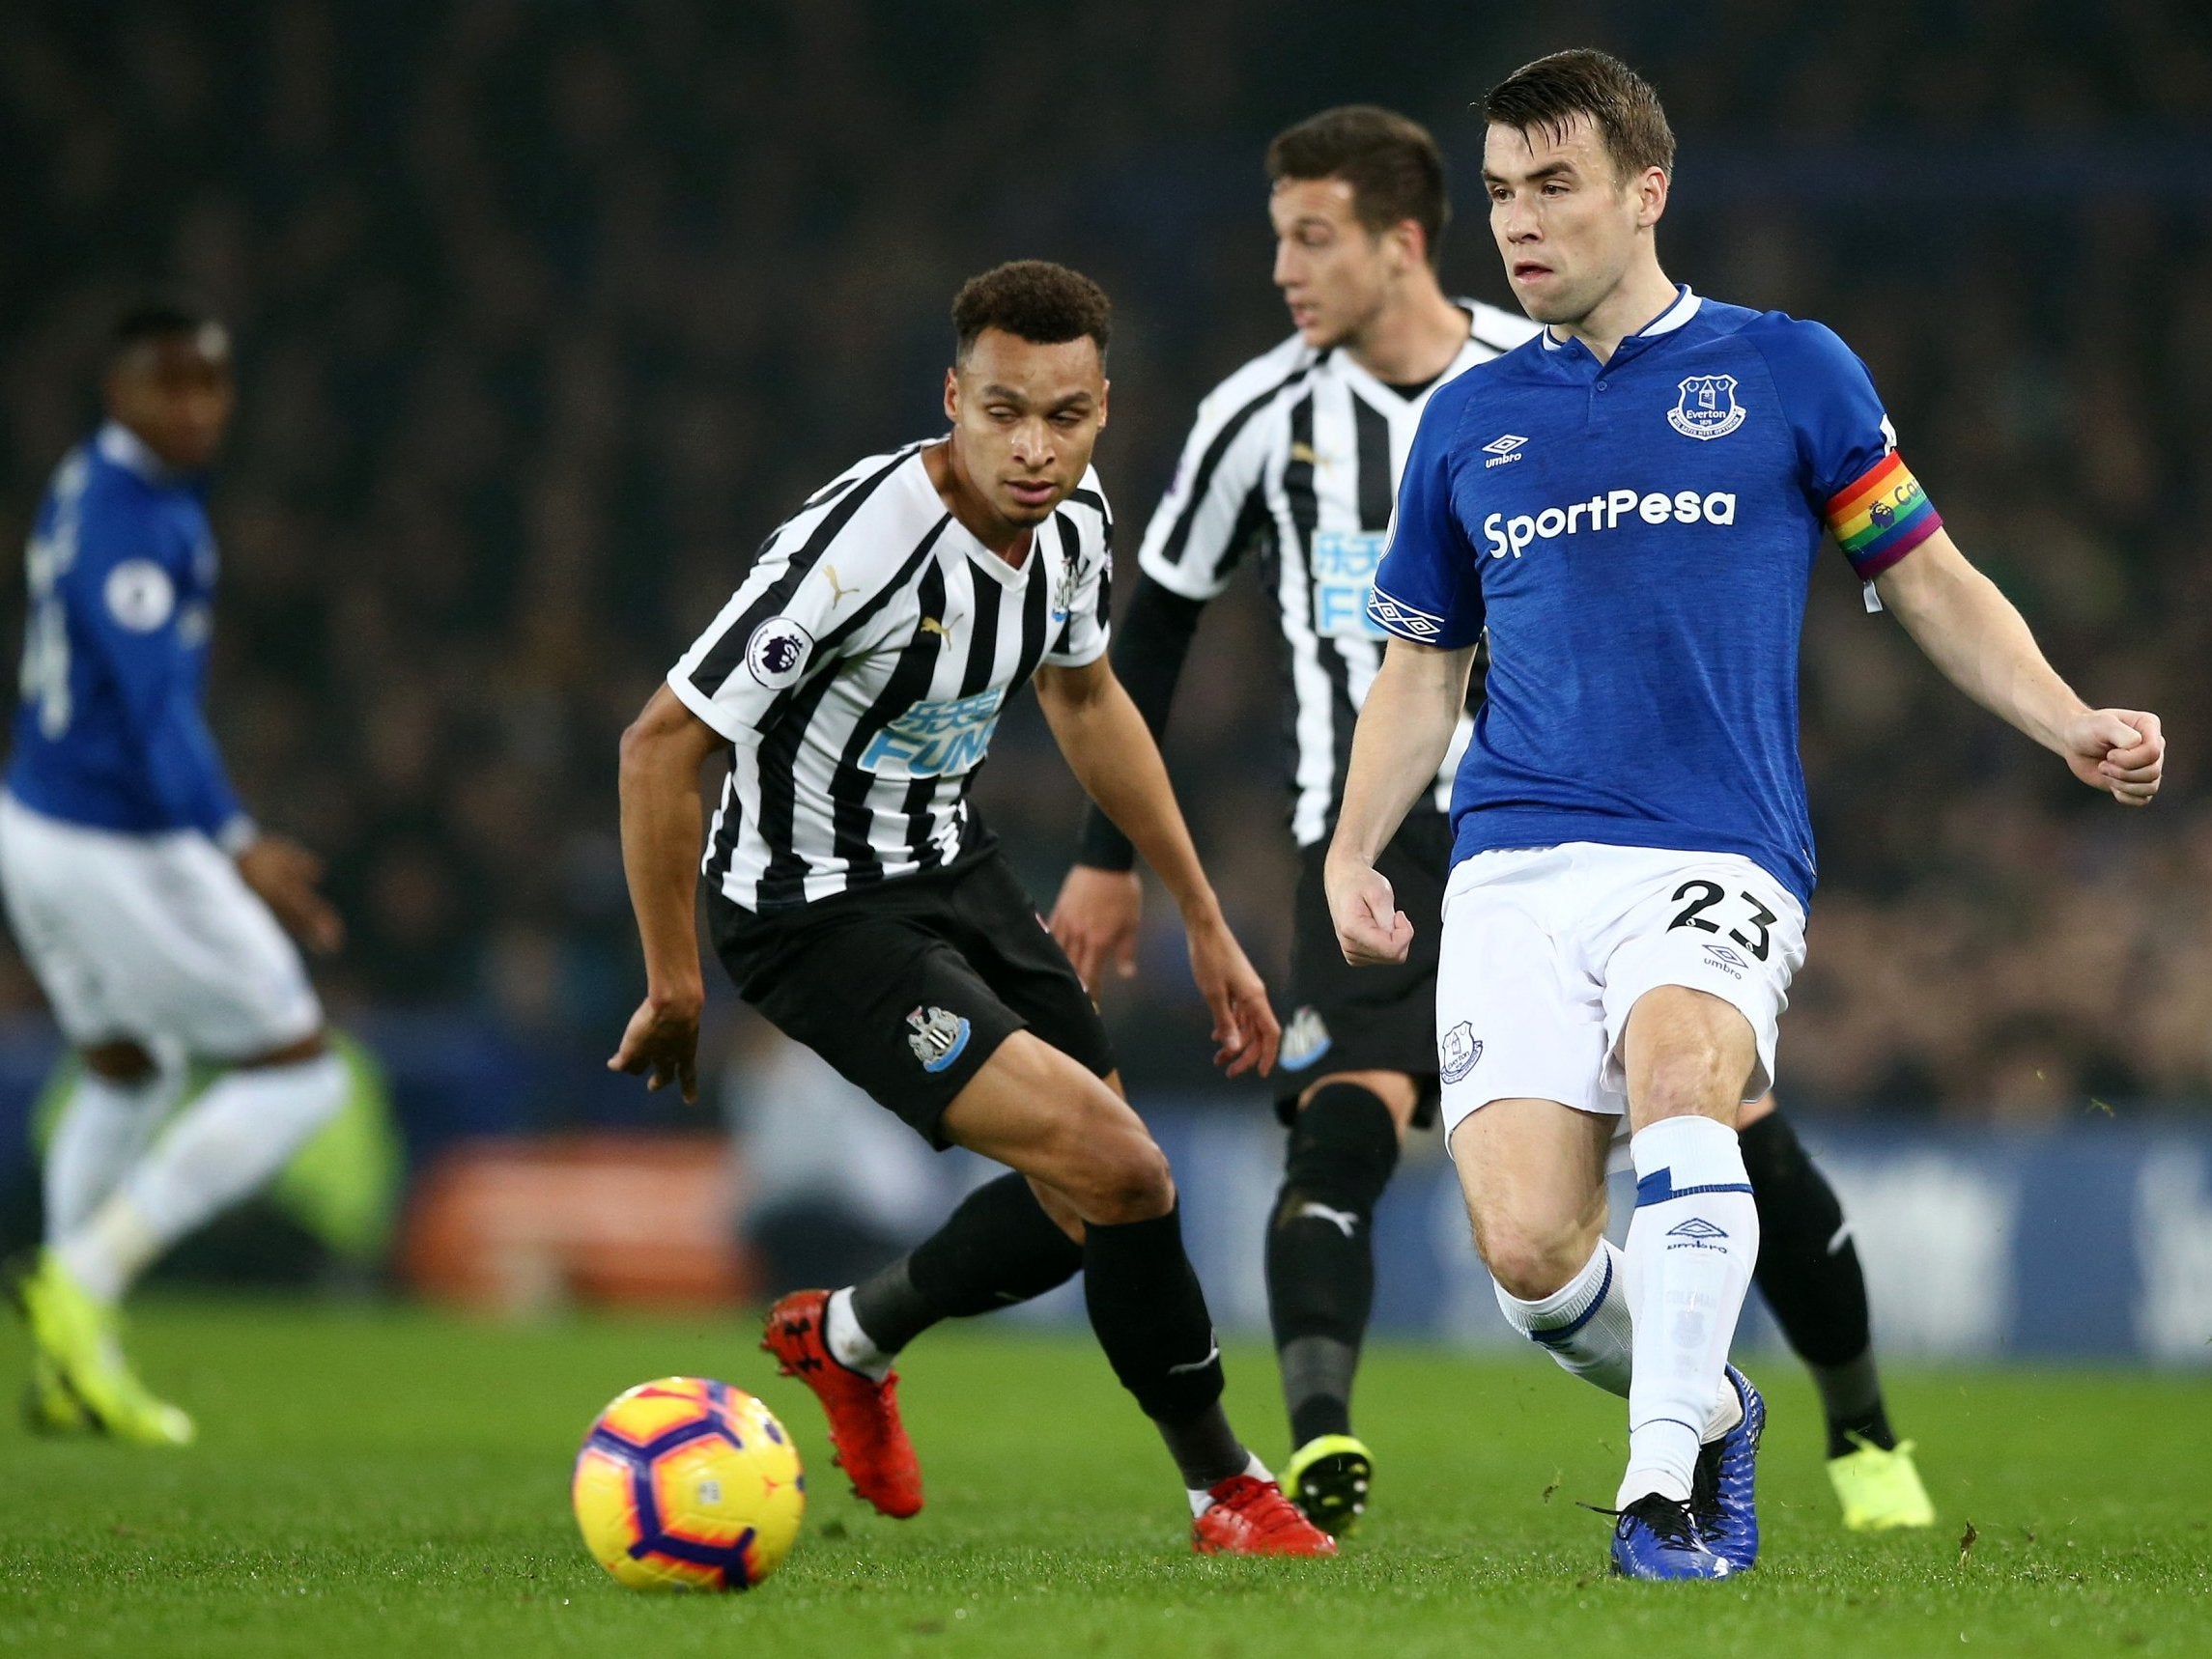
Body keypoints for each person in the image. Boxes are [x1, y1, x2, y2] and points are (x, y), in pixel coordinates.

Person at [1326, 51, 2163, 1580]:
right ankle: (1711, 1405)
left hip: (1712, 844)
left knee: (1679, 1078)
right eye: (1501, 192)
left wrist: (2067, 719)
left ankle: (1656, 1497)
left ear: (1647, 192)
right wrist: (1349, 845)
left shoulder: (1785, 370)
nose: (1517, 222)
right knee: (1526, 1255)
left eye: (1553, 186)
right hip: (1512, 858)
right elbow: (1418, 667)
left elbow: (1924, 577)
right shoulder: (1468, 422)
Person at [1051, 103, 1932, 1537]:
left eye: (1311, 236)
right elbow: (1154, 633)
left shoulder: (1537, 362)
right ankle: (1322, 1442)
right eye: (1275, 237)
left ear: (1402, 245)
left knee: (1725, 1124)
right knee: (1360, 1144)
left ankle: (1856, 1430)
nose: (1283, 267)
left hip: (1622, 819)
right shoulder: (1250, 418)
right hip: (1380, 830)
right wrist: (1109, 857)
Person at [609, 260, 1334, 1558]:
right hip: (811, 912)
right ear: (953, 398)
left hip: (953, 869)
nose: (1032, 445)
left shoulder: (1072, 518)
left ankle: (844, 1337)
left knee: (1085, 1198)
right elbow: (661, 744)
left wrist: (1201, 913)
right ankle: (1222, 1485)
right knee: (1125, 1167)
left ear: (1103, 408)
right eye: (1002, 410)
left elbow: (1082, 694)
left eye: (1063, 414)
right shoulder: (855, 546)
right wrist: (675, 983)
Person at [1, 301, 349, 1446]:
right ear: (120, 392)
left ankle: (64, 1365)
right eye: (169, 385)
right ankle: (82, 1278)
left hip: (38, 823)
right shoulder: (131, 519)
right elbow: (154, 709)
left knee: (124, 1066)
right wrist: (236, 836)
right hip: (118, 841)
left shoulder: (95, 483)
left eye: (211, 384)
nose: (195, 406)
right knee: (305, 1071)